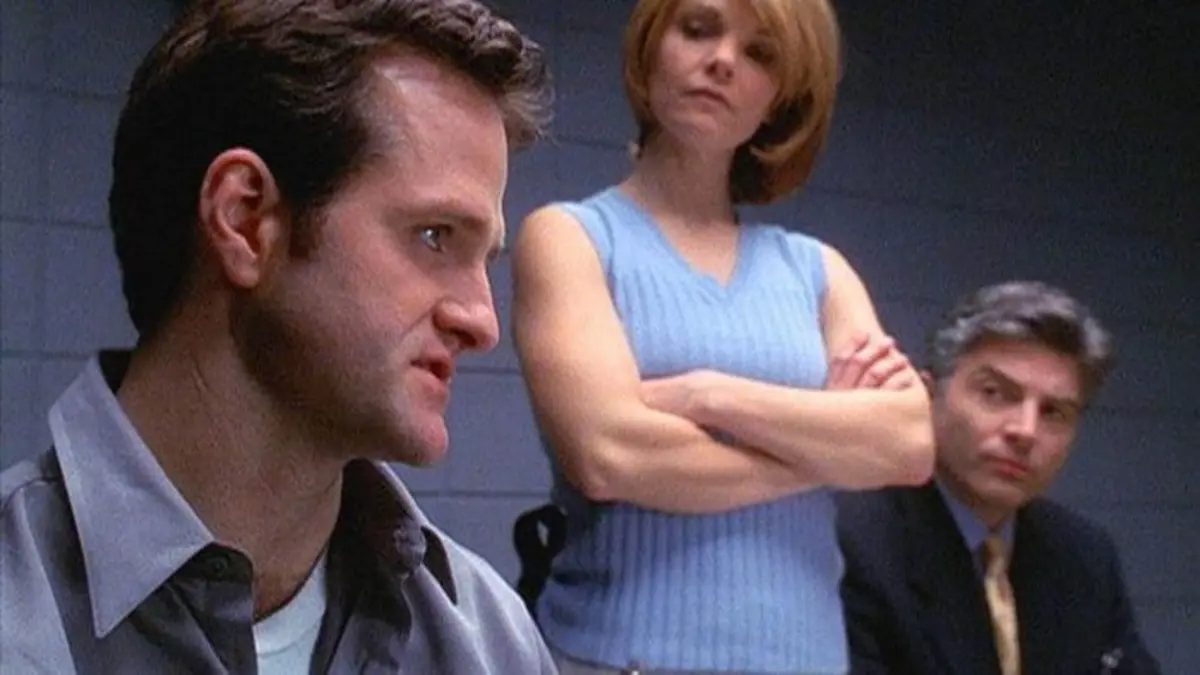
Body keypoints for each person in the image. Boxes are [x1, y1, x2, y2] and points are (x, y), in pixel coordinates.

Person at [0, 1, 555, 673]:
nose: (483, 321)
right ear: (244, 219)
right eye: (435, 236)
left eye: (484, 258)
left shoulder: (490, 641)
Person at [510, 0, 935, 672]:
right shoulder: (571, 238)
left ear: (779, 99)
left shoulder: (818, 271)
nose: (722, 62)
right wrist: (827, 451)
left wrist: (707, 395)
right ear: (651, 49)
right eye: (699, 29)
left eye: (760, 53)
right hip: (617, 659)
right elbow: (609, 454)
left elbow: (907, 444)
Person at [836, 281, 1161, 675]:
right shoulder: (853, 539)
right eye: (995, 393)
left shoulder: (1084, 557)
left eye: (1053, 412)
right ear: (927, 396)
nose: (1025, 431)